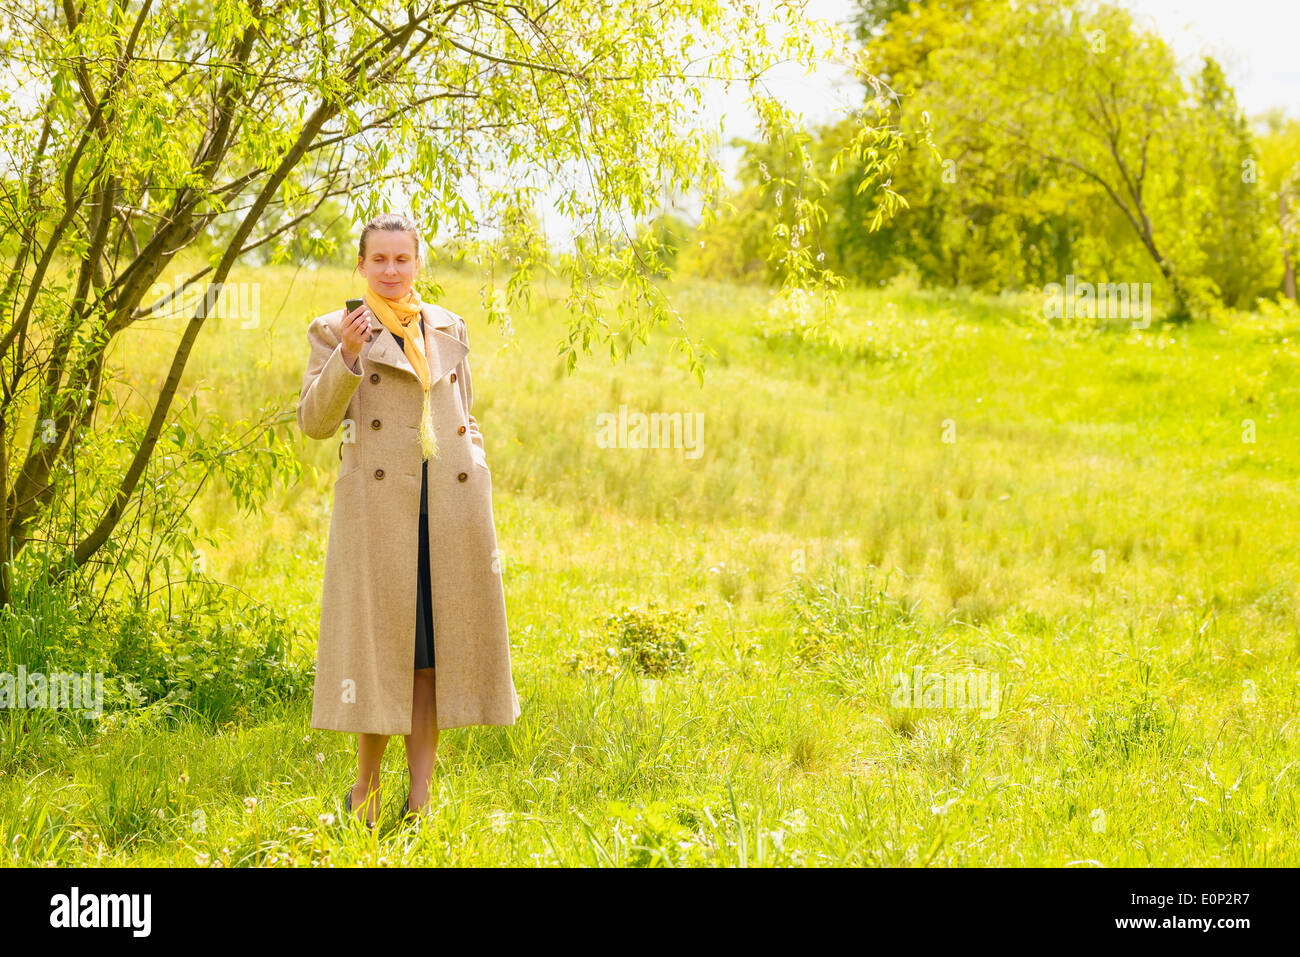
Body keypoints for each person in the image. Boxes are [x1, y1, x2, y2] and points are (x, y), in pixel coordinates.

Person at [296, 212, 521, 829]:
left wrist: (473, 446)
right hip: (379, 513)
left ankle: (421, 798)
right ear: (361, 265)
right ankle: (364, 789)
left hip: (448, 508)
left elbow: (462, 406)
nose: (391, 271)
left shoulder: (447, 326)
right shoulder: (334, 329)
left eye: (402, 259)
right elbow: (314, 422)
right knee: (379, 655)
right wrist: (346, 355)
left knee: (431, 658)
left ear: (417, 263)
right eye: (380, 260)